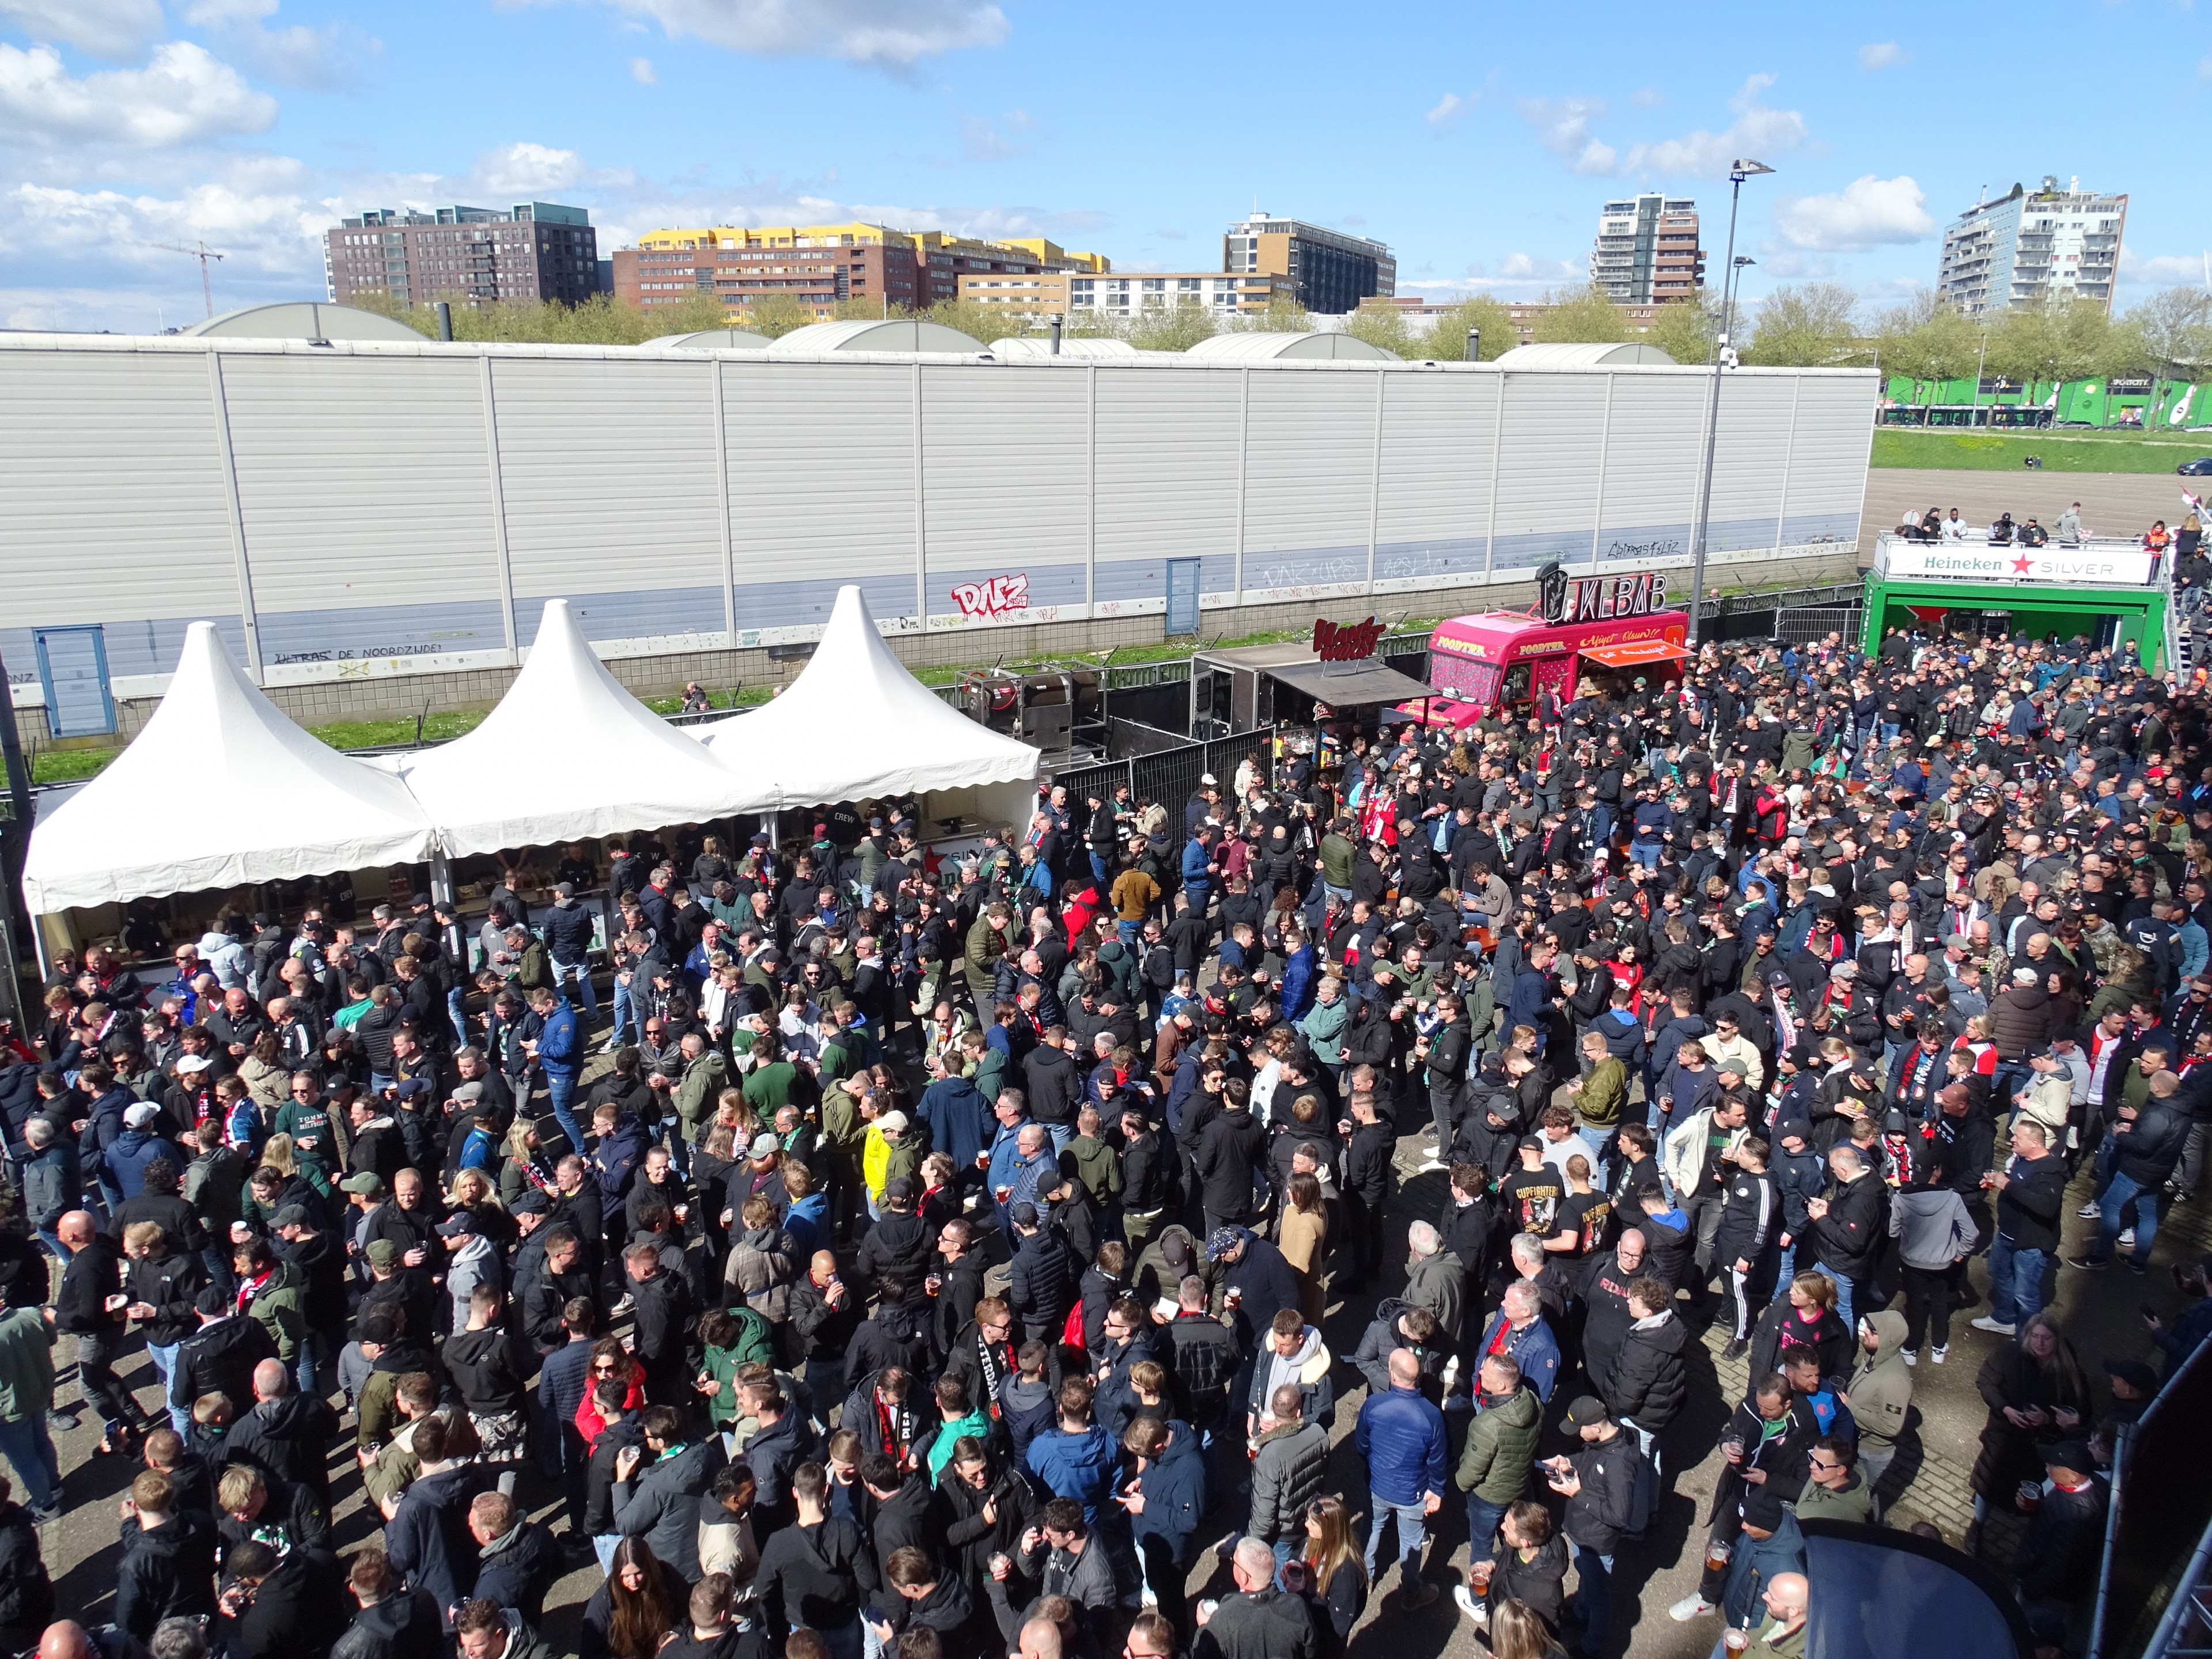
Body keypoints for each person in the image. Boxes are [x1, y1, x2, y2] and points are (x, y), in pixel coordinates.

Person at [1353, 1348, 1447, 1608]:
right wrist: (1437, 1491)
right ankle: (1411, 1593)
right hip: (1413, 1493)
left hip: (1377, 1486)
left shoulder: (1374, 1405)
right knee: (1411, 1543)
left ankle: (1364, 1581)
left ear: (1392, 1375)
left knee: (1371, 1529)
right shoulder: (1431, 1415)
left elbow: (1361, 1444)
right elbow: (1437, 1460)